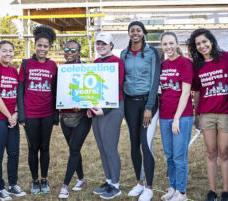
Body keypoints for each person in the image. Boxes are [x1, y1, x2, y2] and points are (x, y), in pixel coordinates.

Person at [187, 29, 228, 201]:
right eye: (198, 44)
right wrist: (196, 114)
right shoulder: (197, 64)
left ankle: (226, 192)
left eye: (204, 42)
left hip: (226, 113)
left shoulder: (227, 58)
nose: (202, 46)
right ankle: (212, 191)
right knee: (211, 152)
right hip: (206, 114)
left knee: (224, 152)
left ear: (212, 41)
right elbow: (197, 91)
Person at [121, 21, 160, 201]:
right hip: (130, 103)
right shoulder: (124, 54)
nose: (135, 33)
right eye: (132, 31)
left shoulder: (152, 53)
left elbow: (154, 81)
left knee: (146, 144)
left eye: (138, 30)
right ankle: (139, 183)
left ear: (143, 33)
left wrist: (149, 107)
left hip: (147, 102)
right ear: (129, 33)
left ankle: (150, 188)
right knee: (134, 143)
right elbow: (121, 80)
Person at [17, 25, 58, 195]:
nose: (42, 49)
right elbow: (20, 91)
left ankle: (44, 179)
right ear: (35, 46)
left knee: (45, 146)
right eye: (39, 45)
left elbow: (56, 91)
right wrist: (22, 114)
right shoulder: (26, 64)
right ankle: (35, 180)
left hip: (47, 113)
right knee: (33, 147)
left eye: (46, 46)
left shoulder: (53, 65)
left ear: (49, 48)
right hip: (31, 114)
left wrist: (56, 114)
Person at [0, 40, 26, 200]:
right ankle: (1, 188)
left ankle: (13, 185)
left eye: (10, 51)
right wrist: (9, 116)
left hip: (12, 117)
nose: (8, 53)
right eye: (4, 51)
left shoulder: (14, 71)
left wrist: (15, 112)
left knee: (14, 153)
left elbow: (17, 94)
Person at [87, 33, 125, 199]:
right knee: (102, 147)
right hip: (98, 108)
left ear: (111, 45)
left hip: (112, 108)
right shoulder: (96, 62)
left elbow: (118, 88)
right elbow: (94, 87)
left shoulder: (117, 62)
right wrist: (90, 107)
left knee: (110, 147)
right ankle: (109, 180)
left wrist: (106, 110)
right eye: (98, 43)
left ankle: (116, 185)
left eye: (104, 43)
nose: (100, 46)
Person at [159, 32, 194, 201]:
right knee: (169, 155)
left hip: (182, 116)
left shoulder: (185, 63)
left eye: (171, 43)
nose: (168, 47)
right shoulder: (163, 64)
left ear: (177, 43)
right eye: (165, 44)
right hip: (164, 115)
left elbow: (186, 92)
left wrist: (177, 118)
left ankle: (182, 192)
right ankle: (172, 187)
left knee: (179, 157)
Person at [58, 40, 92, 199]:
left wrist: (84, 104)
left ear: (79, 52)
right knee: (74, 149)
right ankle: (81, 179)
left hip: (82, 116)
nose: (69, 52)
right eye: (66, 49)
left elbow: (92, 92)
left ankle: (65, 186)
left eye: (73, 50)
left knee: (74, 148)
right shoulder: (61, 69)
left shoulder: (86, 68)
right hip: (65, 115)